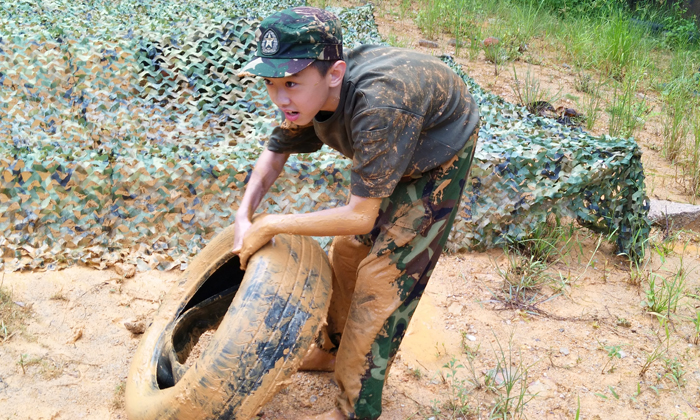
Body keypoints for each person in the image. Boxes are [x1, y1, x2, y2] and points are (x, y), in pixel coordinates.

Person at [232, 6, 479, 420]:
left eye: (290, 82)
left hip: (436, 149)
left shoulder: (379, 107)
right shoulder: (308, 95)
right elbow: (275, 153)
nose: (280, 97)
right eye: (271, 83)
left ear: (334, 73)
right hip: (397, 131)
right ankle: (332, 351)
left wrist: (273, 222)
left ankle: (354, 410)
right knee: (347, 253)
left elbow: (361, 216)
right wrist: (244, 214)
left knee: (382, 282)